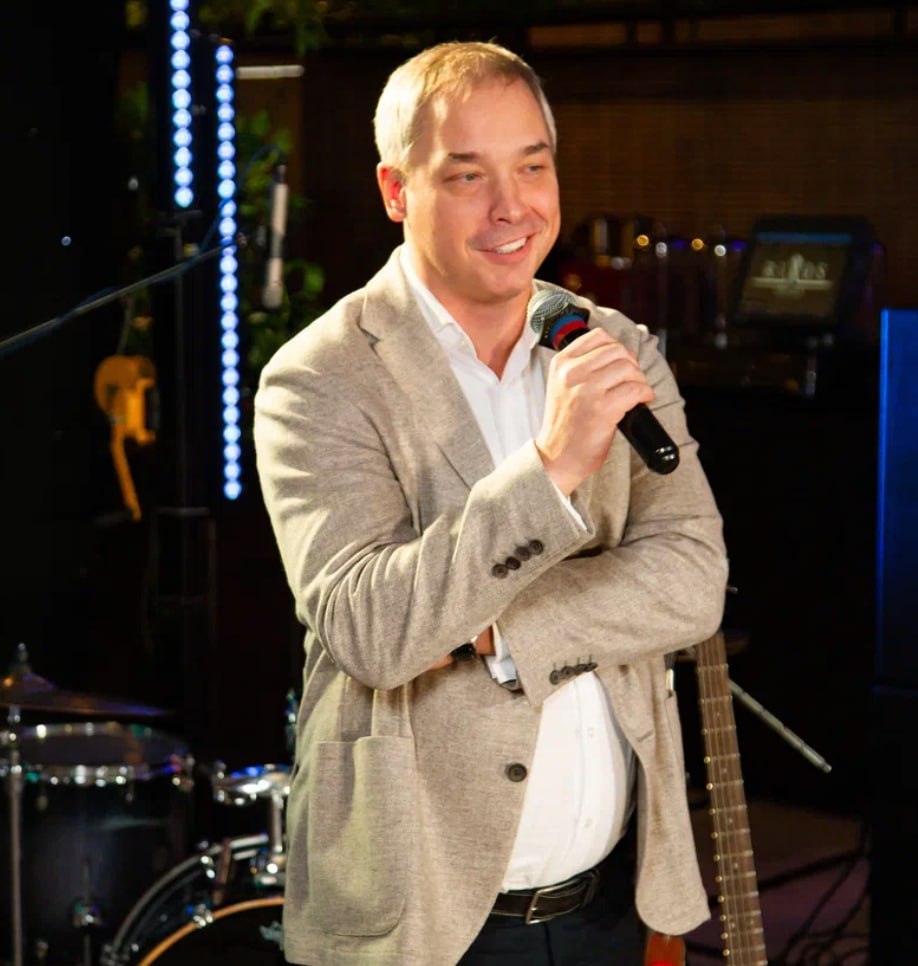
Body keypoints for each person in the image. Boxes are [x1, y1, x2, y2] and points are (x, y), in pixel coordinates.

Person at [254, 40, 728, 966]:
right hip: (424, 923)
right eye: (467, 175)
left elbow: (694, 578)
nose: (512, 207)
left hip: (612, 903)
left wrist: (497, 632)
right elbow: (373, 631)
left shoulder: (613, 345)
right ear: (396, 191)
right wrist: (549, 469)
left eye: (533, 167)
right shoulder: (319, 379)